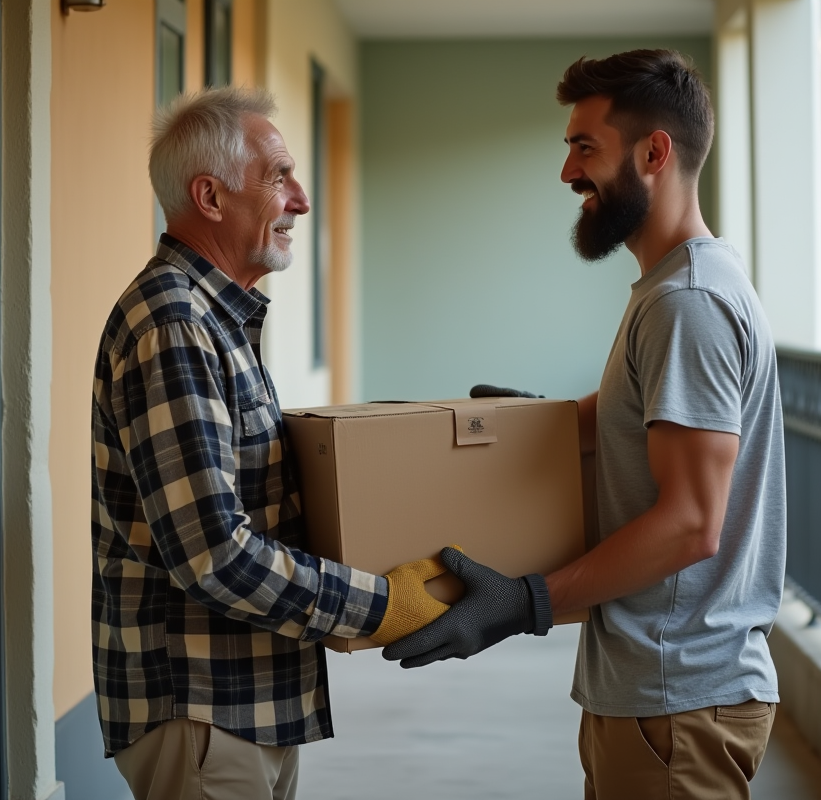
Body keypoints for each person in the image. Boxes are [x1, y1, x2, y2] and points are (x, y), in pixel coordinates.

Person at [384, 50, 786, 800]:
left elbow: (692, 523)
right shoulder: (674, 287)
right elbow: (617, 423)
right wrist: (527, 426)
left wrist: (528, 601)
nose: (567, 173)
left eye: (584, 147)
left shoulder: (685, 304)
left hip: (679, 697)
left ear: (654, 152)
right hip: (657, 695)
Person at [91, 86, 450, 800]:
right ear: (211, 196)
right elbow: (214, 555)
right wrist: (380, 604)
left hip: (247, 702)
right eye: (278, 176)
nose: (301, 199)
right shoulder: (176, 327)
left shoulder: (216, 321)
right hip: (205, 707)